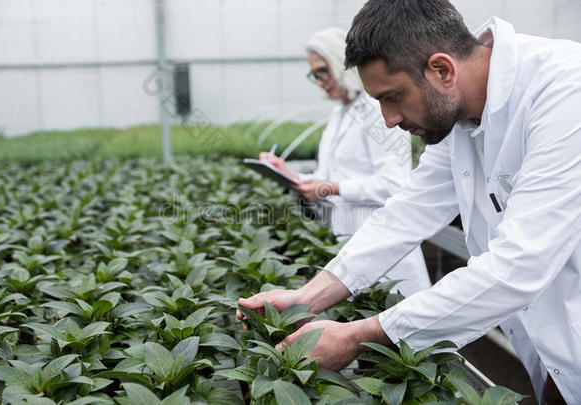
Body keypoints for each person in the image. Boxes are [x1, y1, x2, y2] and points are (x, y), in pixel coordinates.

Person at [240, 1, 581, 403]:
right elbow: (406, 212)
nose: (387, 119)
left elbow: (519, 264)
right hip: (556, 350)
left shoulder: (564, 91)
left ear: (442, 70)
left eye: (393, 97)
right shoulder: (457, 117)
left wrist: (357, 337)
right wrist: (307, 297)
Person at [258, 27, 430, 297]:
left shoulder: (376, 110)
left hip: (385, 246)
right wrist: (286, 173)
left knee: (397, 326)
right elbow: (327, 178)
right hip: (349, 244)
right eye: (314, 75)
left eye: (322, 71)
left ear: (340, 62)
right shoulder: (340, 115)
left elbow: (394, 184)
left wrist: (333, 187)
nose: (319, 81)